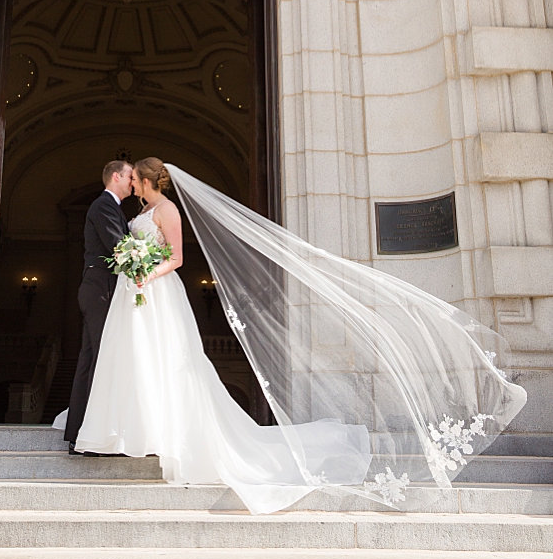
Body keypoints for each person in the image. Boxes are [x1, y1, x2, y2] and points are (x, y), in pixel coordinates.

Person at [74, 157, 526, 514]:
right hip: (139, 297)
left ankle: (167, 432)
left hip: (157, 292)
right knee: (144, 361)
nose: (131, 184)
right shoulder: (145, 211)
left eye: (136, 179)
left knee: (171, 362)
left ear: (149, 180)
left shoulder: (168, 210)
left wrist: (145, 272)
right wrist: (136, 270)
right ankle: (142, 429)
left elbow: (176, 259)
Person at [62, 158, 132, 455]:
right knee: (100, 359)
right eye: (130, 177)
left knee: (91, 359)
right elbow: (119, 245)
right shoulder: (104, 205)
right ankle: (88, 434)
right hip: (100, 287)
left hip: (100, 287)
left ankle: (80, 433)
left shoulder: (111, 207)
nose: (133, 181)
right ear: (116, 176)